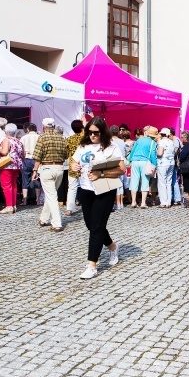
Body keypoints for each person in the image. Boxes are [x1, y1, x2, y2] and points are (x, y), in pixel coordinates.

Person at [70, 117, 125, 280]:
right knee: (91, 225)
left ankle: (92, 265)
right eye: (90, 132)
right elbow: (73, 161)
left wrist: (101, 173)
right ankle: (112, 246)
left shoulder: (111, 147)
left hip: (105, 190)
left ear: (103, 132)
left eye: (96, 132)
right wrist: (73, 166)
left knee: (96, 227)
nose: (92, 135)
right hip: (86, 190)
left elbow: (121, 169)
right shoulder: (83, 146)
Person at [32, 118, 67, 232]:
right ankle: (44, 218)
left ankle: (57, 223)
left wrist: (35, 170)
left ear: (43, 126)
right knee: (51, 194)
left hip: (46, 168)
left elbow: (38, 156)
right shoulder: (61, 138)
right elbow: (66, 155)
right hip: (59, 168)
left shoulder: (42, 138)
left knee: (51, 196)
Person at [128, 126, 158, 209]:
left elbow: (133, 151)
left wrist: (130, 160)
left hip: (135, 161)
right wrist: (154, 165)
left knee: (134, 181)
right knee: (145, 181)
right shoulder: (153, 143)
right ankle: (143, 203)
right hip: (145, 162)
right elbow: (152, 155)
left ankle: (133, 202)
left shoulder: (139, 140)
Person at [0, 123, 24, 214]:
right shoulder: (18, 141)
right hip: (17, 165)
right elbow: (22, 154)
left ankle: (9, 206)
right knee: (14, 185)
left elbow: (4, 152)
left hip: (7, 165)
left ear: (5, 131)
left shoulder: (6, 140)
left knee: (6, 185)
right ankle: (13, 205)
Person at [64, 119, 85, 216]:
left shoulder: (69, 139)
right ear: (82, 127)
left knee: (72, 188)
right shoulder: (85, 138)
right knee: (88, 186)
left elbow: (66, 153)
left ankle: (69, 208)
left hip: (73, 165)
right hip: (85, 165)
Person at [20, 123, 41, 206]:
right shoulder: (39, 137)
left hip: (27, 159)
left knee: (25, 179)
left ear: (28, 129)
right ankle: (38, 200)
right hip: (37, 160)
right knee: (37, 180)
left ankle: (24, 200)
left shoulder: (23, 138)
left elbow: (22, 150)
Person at [156, 127, 176, 207]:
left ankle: (163, 202)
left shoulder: (161, 142)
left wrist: (156, 153)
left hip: (162, 163)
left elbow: (160, 153)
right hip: (171, 163)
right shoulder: (171, 142)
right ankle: (168, 201)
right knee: (169, 182)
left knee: (162, 182)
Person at [109, 125, 127, 211]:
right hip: (121, 163)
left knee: (114, 185)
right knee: (120, 185)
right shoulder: (122, 141)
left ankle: (115, 203)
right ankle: (120, 203)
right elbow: (124, 153)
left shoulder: (110, 141)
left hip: (113, 164)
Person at [169, 127, 183, 206]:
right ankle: (174, 197)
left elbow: (175, 150)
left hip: (175, 163)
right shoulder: (175, 139)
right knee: (173, 180)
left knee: (174, 180)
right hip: (174, 162)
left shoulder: (175, 140)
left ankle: (177, 198)